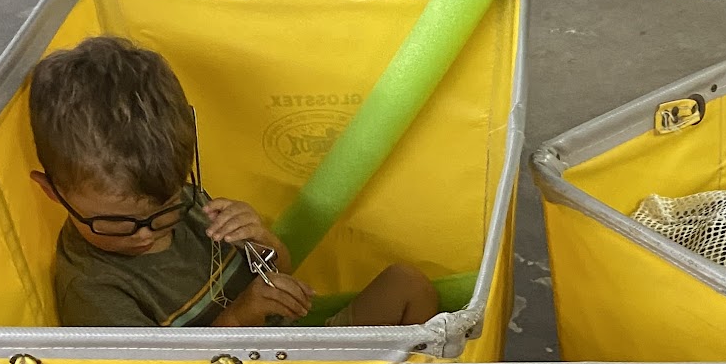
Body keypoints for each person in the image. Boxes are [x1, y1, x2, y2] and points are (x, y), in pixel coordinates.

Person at [26, 35, 439, 330]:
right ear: (51, 191)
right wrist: (240, 317)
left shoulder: (189, 203)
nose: (145, 234)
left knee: (407, 285)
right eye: (116, 223)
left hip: (296, 350)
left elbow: (278, 273)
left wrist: (264, 243)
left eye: (165, 211)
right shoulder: (92, 288)